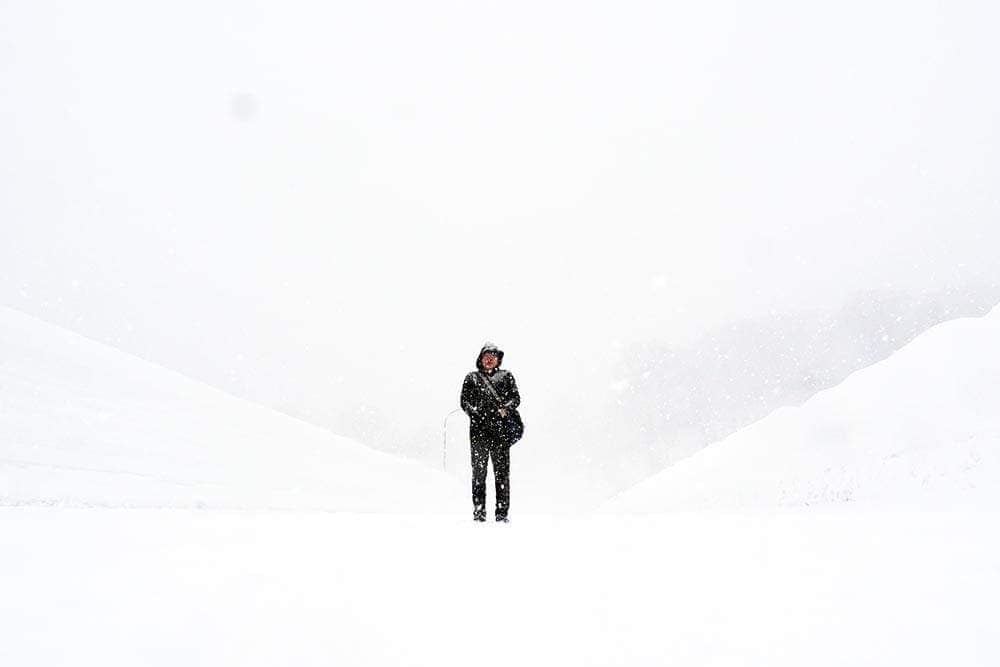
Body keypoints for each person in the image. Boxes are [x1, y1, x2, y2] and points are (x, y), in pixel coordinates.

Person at [460, 342, 521, 522]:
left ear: (498, 360)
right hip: (478, 434)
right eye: (486, 356)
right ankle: (479, 512)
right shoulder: (472, 378)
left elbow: (516, 398)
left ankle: (502, 514)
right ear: (480, 359)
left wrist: (506, 409)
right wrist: (476, 412)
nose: (489, 359)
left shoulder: (506, 376)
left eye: (493, 356)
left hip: (501, 435)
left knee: (502, 474)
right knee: (479, 474)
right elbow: (464, 401)